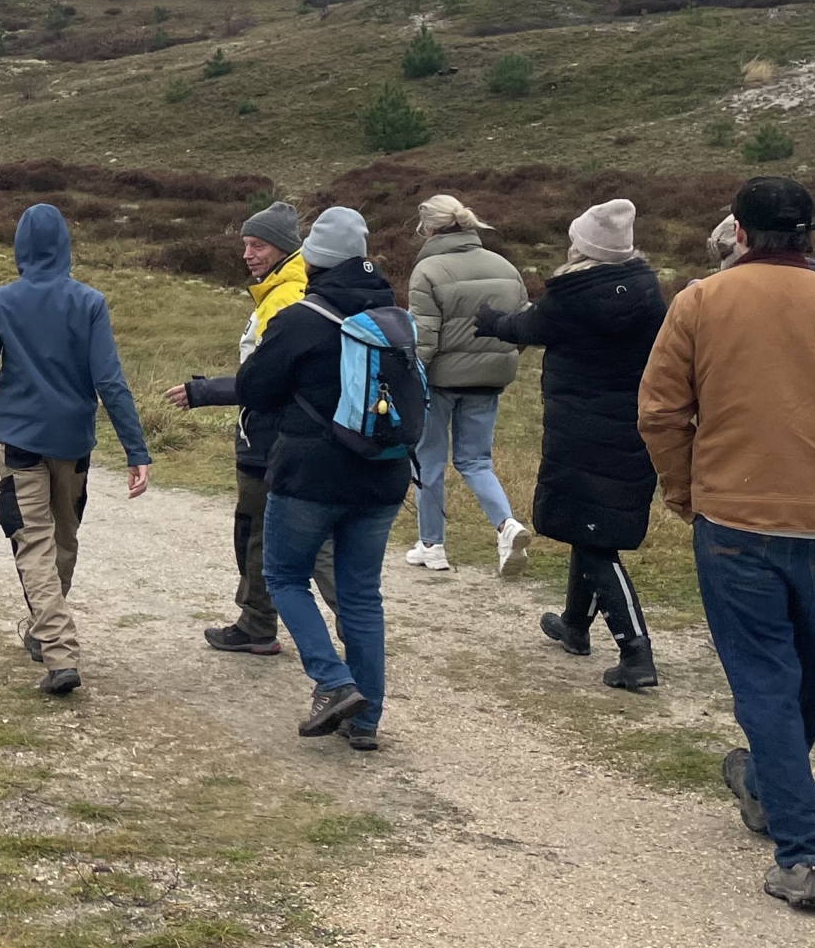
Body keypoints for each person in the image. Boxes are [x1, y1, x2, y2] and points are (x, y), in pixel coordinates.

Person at [638, 176, 815, 911]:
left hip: (733, 523)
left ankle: (802, 850)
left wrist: (685, 490)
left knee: (766, 685)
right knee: (804, 678)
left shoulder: (700, 301)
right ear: (809, 233)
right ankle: (765, 786)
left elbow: (661, 412)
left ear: (742, 231)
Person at [0, 202, 152, 696]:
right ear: (65, 246)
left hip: (20, 441)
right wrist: (136, 449)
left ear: (20, 247)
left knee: (35, 543)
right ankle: (50, 635)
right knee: (62, 540)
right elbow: (110, 380)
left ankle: (59, 651)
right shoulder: (90, 302)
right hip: (74, 443)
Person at [235, 207, 411, 751]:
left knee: (285, 576)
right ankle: (367, 720)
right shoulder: (393, 316)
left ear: (313, 258)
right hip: (383, 474)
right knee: (362, 596)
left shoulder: (301, 319)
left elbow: (254, 387)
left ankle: (333, 683)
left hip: (310, 475)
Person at [473, 199, 667, 691]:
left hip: (581, 428)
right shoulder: (649, 291)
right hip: (633, 425)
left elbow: (527, 328)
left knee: (595, 537)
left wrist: (491, 319)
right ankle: (575, 626)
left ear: (583, 246)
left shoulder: (571, 295)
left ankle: (636, 651)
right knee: (592, 526)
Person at [169, 201, 338, 655]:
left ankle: (285, 624)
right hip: (275, 434)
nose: (247, 254)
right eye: (245, 244)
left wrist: (204, 391)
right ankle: (260, 622)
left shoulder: (286, 297)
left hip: (271, 438)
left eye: (257, 245)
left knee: (268, 533)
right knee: (273, 534)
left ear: (284, 248)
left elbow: (267, 376)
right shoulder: (278, 289)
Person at [404, 194, 533, 575]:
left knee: (428, 460)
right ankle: (506, 526)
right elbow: (523, 326)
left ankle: (432, 545)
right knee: (476, 461)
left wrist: (412, 381)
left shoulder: (427, 271)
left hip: (440, 380)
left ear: (428, 228)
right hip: (489, 379)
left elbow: (424, 340)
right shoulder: (506, 267)